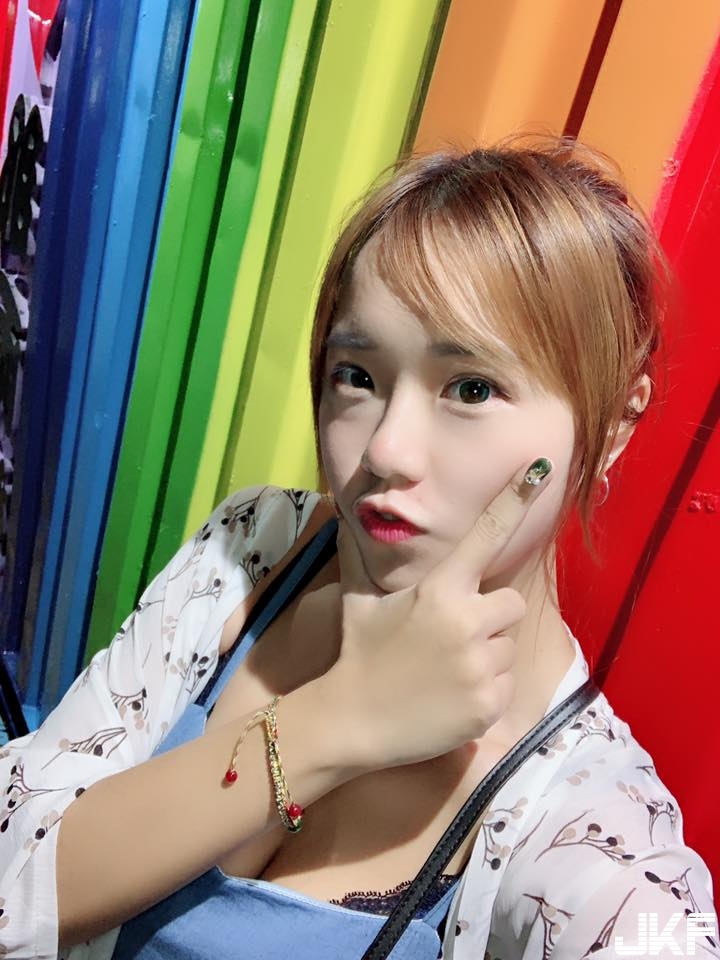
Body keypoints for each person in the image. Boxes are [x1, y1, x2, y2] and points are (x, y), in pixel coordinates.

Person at [0, 138, 717, 960]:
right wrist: (342, 717)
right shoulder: (257, 546)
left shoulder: (586, 823)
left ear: (616, 424)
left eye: (471, 388)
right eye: (357, 376)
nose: (386, 451)